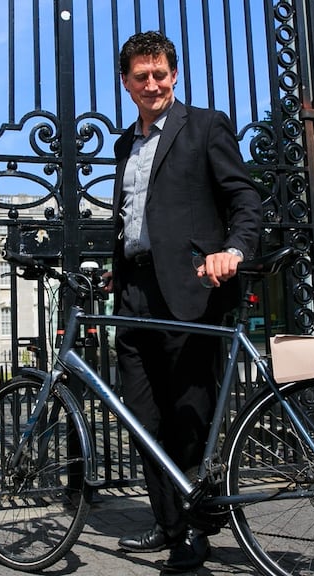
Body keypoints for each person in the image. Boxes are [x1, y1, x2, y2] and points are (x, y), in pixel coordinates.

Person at [105, 31, 262, 573]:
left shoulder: (205, 126)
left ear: (174, 75)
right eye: (141, 75)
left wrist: (233, 250)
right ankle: (168, 523)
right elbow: (133, 215)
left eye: (161, 73)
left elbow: (243, 196)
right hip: (134, 293)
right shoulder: (125, 144)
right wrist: (116, 269)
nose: (152, 83)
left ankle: (196, 529)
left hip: (192, 287)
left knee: (187, 416)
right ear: (125, 83)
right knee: (141, 416)